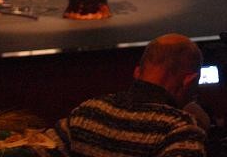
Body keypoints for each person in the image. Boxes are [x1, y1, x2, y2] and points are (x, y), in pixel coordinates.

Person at [51, 33, 206, 157]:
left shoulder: (88, 111)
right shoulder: (180, 129)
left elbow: (41, 148)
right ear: (189, 81)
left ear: (137, 72)